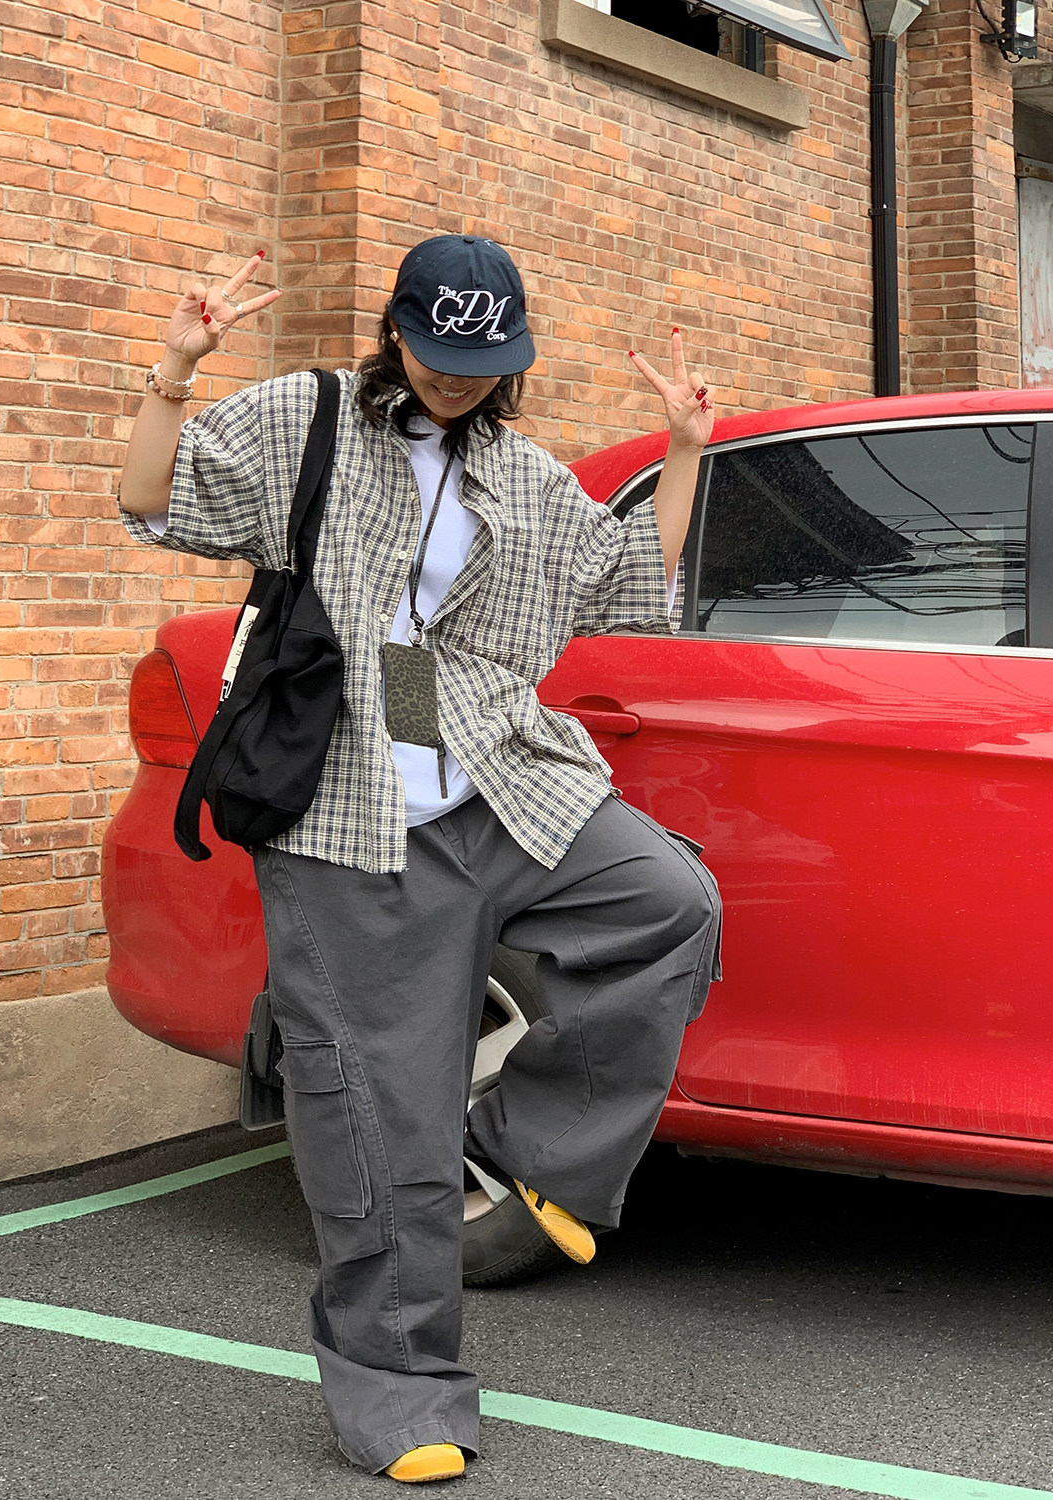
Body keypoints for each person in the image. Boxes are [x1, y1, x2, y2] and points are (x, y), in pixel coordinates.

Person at [117, 234, 722, 1484]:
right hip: (343, 807)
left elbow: (625, 582)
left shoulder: (519, 472)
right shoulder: (307, 417)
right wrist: (176, 372)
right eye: (437, 350)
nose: (455, 376)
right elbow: (152, 501)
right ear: (396, 331)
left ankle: (532, 1153)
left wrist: (684, 452)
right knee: (378, 1106)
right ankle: (400, 1395)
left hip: (486, 769)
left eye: (481, 359)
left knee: (666, 902)